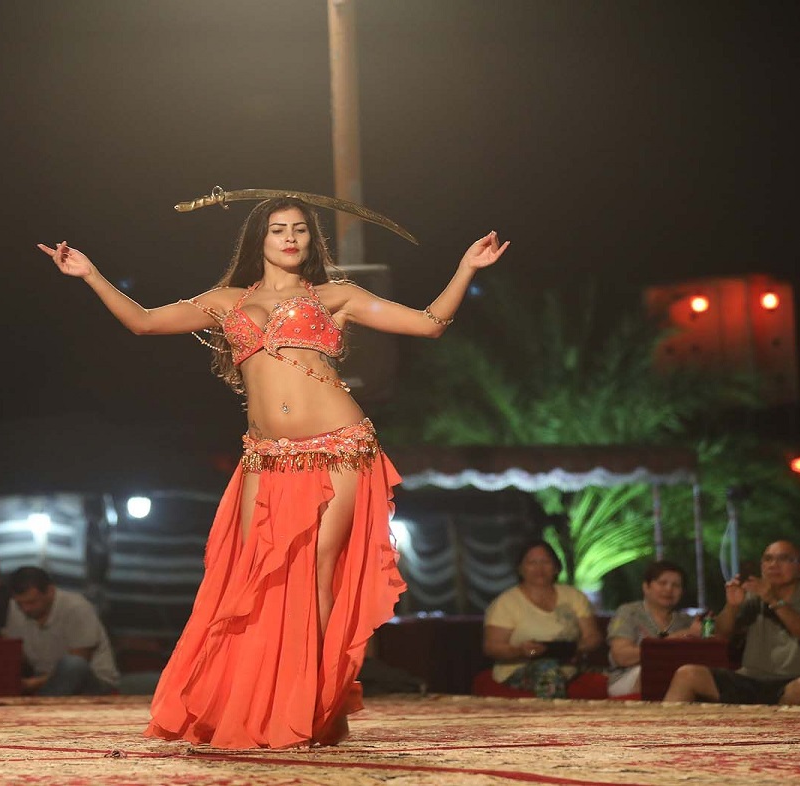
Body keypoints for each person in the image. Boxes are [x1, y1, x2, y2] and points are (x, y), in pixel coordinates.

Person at [38, 194, 508, 748]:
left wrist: (466, 268)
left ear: (312, 240)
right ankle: (254, 701)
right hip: (263, 455)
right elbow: (143, 323)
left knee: (317, 573)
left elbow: (429, 325)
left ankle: (313, 706)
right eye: (279, 229)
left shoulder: (335, 295)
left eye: (301, 231)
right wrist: (89, 273)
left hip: (340, 447)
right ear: (258, 238)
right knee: (247, 576)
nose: (290, 238)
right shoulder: (224, 301)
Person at [664, 540, 800, 705]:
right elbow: (722, 634)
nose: (773, 564)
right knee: (687, 674)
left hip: (797, 679)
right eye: (768, 559)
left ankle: (770, 731)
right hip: (750, 678)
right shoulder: (752, 597)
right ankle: (664, 732)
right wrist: (732, 606)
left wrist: (772, 599)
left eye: (783, 559)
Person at [483, 540, 603, 698]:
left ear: (556, 567)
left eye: (545, 562)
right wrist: (523, 651)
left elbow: (593, 637)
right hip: (520, 668)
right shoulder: (506, 602)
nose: (539, 569)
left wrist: (572, 648)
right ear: (521, 569)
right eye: (532, 562)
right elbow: (492, 647)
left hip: (568, 665)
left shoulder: (574, 597)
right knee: (548, 670)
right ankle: (552, 721)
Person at [5, 566, 119, 696]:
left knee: (72, 665)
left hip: (94, 681)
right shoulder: (15, 608)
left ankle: (41, 708)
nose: (25, 609)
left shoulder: (76, 608)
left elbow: (79, 662)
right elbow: (16, 653)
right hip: (41, 678)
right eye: (20, 604)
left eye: (31, 602)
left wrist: (31, 684)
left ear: (50, 591)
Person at [606, 560, 701, 697]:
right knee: (655, 671)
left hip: (675, 677)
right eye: (662, 583)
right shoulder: (629, 612)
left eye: (676, 585)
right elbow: (622, 656)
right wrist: (674, 639)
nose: (669, 589)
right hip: (627, 677)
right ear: (646, 587)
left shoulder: (685, 620)